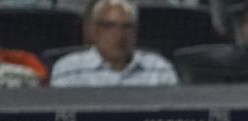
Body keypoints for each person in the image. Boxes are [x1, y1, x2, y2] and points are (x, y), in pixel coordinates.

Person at [50, 0, 178, 87]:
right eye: (109, 26)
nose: (119, 34)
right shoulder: (68, 69)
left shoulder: (159, 68)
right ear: (93, 30)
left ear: (136, 31)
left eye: (127, 27)